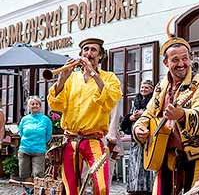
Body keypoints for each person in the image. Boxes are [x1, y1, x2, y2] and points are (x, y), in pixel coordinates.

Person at [132, 34, 199, 194]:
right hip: (165, 152)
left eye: (185, 58)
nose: (181, 64)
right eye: (175, 60)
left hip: (198, 154)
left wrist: (182, 114)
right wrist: (139, 127)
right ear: (166, 63)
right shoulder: (160, 86)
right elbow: (148, 114)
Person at [47, 38, 122, 195]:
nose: (89, 53)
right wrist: (62, 77)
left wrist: (93, 73)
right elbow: (55, 104)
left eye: (93, 50)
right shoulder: (72, 78)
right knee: (70, 189)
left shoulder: (109, 77)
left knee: (101, 187)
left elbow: (110, 100)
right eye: (86, 50)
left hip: (93, 140)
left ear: (100, 56)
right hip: (70, 140)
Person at [120, 80, 155, 195]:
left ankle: (148, 188)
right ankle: (134, 188)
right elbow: (129, 116)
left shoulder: (154, 100)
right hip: (136, 139)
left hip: (149, 137)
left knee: (147, 163)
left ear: (151, 89)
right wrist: (130, 118)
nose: (143, 89)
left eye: (146, 87)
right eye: (142, 87)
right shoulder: (136, 100)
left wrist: (143, 114)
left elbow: (155, 115)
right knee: (135, 163)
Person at [18, 96, 53, 194]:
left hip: (39, 150)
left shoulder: (46, 120)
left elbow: (48, 136)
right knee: (24, 173)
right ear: (29, 106)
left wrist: (39, 143)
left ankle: (36, 191)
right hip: (24, 149)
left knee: (38, 174)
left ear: (40, 106)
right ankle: (30, 192)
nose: (35, 106)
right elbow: (21, 133)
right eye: (32, 104)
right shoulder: (24, 119)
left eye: (37, 104)